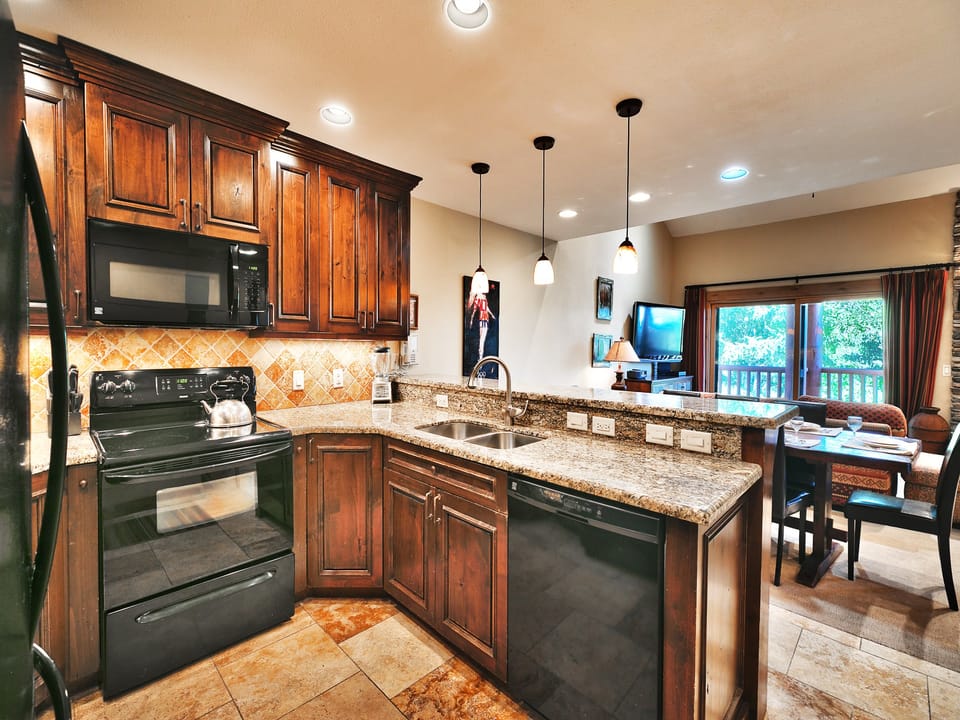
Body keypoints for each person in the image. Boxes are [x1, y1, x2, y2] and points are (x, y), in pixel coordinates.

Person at [467, 290, 496, 360]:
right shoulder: (479, 298)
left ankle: (480, 357)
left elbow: (486, 308)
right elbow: (474, 310)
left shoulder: (483, 298)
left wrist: (491, 315)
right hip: (483, 320)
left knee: (482, 339)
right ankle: (480, 357)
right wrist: (471, 320)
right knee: (482, 340)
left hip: (485, 319)